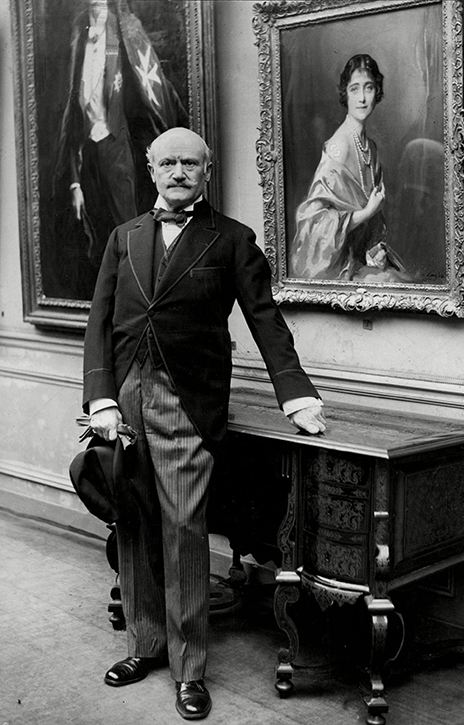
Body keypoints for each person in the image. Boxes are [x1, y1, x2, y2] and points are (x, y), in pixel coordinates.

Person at [82, 126, 326, 720]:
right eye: (167, 163)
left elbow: (267, 322)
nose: (178, 173)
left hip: (189, 405)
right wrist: (101, 400)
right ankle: (147, 646)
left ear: (207, 171)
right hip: (126, 401)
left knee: (184, 531)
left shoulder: (233, 241)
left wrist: (295, 395)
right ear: (151, 169)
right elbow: (99, 327)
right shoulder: (123, 238)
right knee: (133, 521)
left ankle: (190, 671)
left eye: (190, 163)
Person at [53, 0, 187, 296]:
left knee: (126, 230)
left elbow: (143, 81)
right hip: (88, 151)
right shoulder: (79, 41)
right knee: (98, 234)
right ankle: (110, 299)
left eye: (101, 3)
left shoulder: (121, 33)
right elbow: (73, 113)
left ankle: (136, 297)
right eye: (91, 4)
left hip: (116, 147)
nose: (97, 8)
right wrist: (74, 180)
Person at [290, 54, 406, 282]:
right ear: (345, 93)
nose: (362, 98)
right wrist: (367, 212)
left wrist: (376, 253)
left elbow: (369, 232)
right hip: (335, 268)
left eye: (369, 88)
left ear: (377, 92)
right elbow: (313, 226)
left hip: (359, 261)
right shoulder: (339, 147)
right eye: (355, 89)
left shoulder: (370, 147)